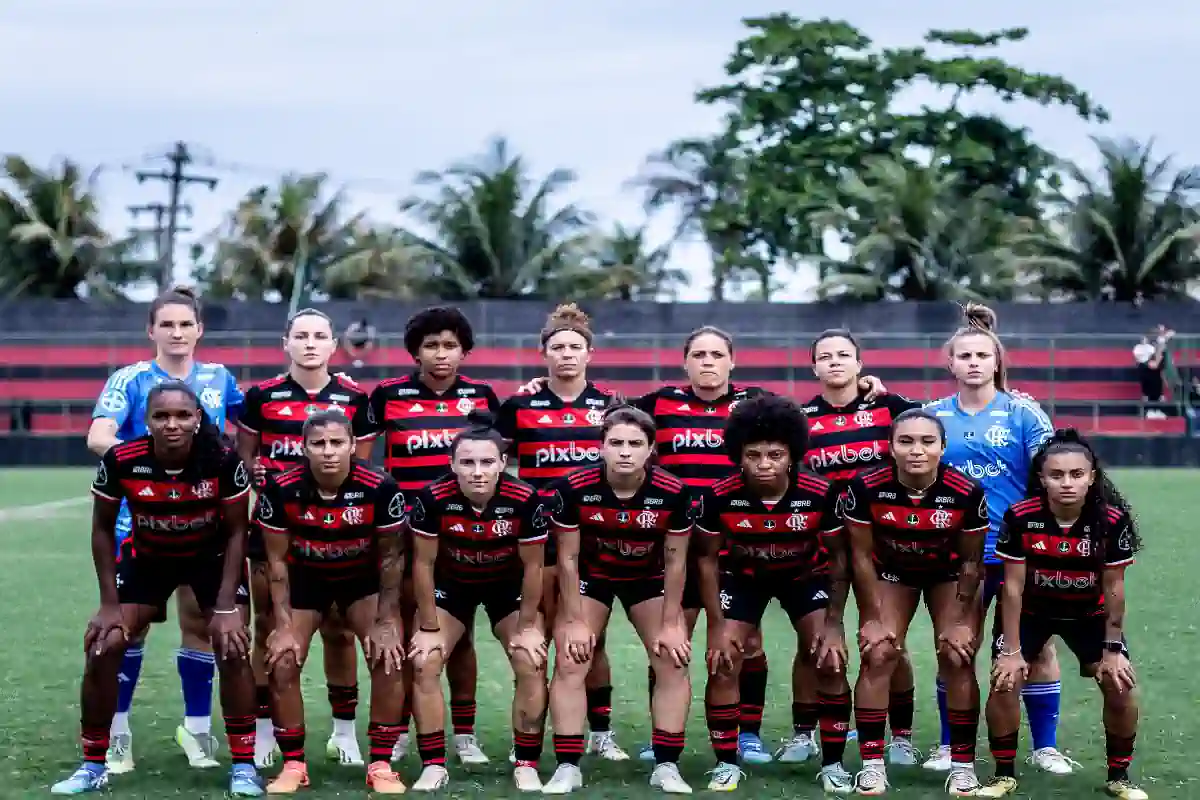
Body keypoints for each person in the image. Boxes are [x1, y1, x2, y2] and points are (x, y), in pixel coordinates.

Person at [53, 381, 262, 796]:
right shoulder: (122, 459)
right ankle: (94, 763)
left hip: (211, 561)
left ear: (197, 419)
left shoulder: (222, 460)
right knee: (104, 644)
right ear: (146, 421)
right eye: (161, 416)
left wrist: (224, 606)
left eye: (182, 415)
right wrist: (108, 605)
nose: (172, 424)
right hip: (147, 559)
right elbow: (100, 528)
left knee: (233, 644)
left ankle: (244, 765)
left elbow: (239, 532)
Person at [85, 286, 246, 773]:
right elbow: (98, 435)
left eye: (185, 324)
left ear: (200, 330)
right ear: (150, 331)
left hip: (206, 523)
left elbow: (245, 428)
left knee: (202, 622)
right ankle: (117, 735)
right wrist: (153, 459)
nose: (177, 333)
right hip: (142, 520)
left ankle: (197, 731)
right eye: (166, 325)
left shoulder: (219, 378)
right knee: (128, 632)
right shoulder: (130, 379)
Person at [921, 303, 1068, 775]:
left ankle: (1044, 746)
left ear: (996, 360)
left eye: (982, 355)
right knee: (955, 647)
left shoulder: (1023, 413)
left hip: (1017, 554)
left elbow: (1049, 475)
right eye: (964, 356)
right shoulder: (932, 417)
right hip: (954, 554)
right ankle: (950, 744)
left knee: (1035, 647)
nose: (974, 363)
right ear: (950, 363)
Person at [235, 308, 376, 767]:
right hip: (275, 531)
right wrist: (262, 479)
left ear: (334, 344)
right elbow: (247, 462)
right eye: (301, 335)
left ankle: (344, 735)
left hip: (341, 532)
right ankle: (263, 734)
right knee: (268, 631)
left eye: (319, 336)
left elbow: (363, 471)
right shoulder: (262, 397)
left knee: (339, 630)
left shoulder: (356, 398)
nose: (310, 343)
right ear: (286, 343)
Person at [361, 306, 500, 764]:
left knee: (461, 638)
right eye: (431, 345)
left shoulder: (482, 397)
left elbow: (497, 458)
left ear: (464, 350)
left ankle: (464, 734)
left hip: (464, 535)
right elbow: (362, 466)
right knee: (406, 632)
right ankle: (400, 730)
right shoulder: (387, 394)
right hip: (403, 537)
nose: (441, 354)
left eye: (450, 345)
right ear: (416, 351)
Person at [696, 395, 854, 793]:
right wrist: (716, 626)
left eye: (774, 454)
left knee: (830, 658)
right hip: (743, 577)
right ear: (738, 455)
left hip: (804, 576)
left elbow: (840, 560)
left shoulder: (821, 493)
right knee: (723, 660)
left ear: (792, 454)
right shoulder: (719, 496)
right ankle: (726, 762)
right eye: (753, 455)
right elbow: (707, 561)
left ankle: (832, 763)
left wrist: (834, 625)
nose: (764, 464)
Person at [977, 430, 1146, 800]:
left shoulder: (1110, 521)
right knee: (1004, 681)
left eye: (1076, 474)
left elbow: (1114, 589)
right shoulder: (1021, 517)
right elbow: (1013, 588)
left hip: (1090, 614)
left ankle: (1120, 776)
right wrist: (1011, 650)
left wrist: (1113, 648)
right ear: (1042, 478)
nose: (1066, 483)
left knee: (1121, 686)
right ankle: (1002, 774)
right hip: (1032, 612)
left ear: (1091, 477)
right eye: (1056, 475)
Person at [496, 304, 628, 762]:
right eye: (557, 348)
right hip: (539, 536)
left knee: (592, 637)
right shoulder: (519, 406)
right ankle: (530, 735)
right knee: (537, 632)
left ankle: (602, 731)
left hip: (596, 533)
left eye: (575, 347)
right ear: (544, 354)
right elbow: (488, 456)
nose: (566, 355)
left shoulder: (610, 406)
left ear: (589, 353)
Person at [255, 410, 408, 794]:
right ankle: (293, 764)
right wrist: (284, 625)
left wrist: (388, 620)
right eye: (318, 444)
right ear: (303, 448)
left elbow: (392, 559)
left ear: (354, 446)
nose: (328, 451)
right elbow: (275, 563)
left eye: (337, 442)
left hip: (362, 583)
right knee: (283, 659)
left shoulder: (381, 486)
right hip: (305, 582)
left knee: (388, 657)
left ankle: (381, 764)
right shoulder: (280, 488)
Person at [543, 406, 694, 794]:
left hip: (647, 578)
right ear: (602, 447)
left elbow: (677, 560)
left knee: (672, 659)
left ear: (650, 449)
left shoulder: (674, 492)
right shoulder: (572, 488)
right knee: (570, 657)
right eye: (616, 443)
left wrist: (673, 621)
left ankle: (666, 765)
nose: (625, 451)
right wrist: (574, 620)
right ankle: (567, 766)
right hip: (592, 577)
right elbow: (568, 558)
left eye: (635, 444)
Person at [790, 330, 923, 767]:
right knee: (813, 642)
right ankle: (804, 732)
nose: (834, 363)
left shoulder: (889, 408)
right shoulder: (801, 416)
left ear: (860, 364)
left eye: (843, 355)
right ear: (813, 367)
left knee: (887, 639)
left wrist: (886, 391)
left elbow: (932, 422)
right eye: (824, 357)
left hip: (882, 542)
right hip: (819, 540)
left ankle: (899, 735)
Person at [843, 409, 990, 796]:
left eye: (927, 442)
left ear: (942, 447)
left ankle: (962, 765)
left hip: (949, 576)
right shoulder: (865, 487)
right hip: (892, 574)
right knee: (877, 652)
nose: (917, 451)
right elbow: (860, 557)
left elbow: (973, 561)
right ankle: (873, 763)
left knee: (957, 655)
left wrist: (960, 619)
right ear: (890, 447)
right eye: (906, 441)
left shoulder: (966, 491)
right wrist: (872, 616)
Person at [405, 415, 549, 792]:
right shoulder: (432, 498)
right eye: (467, 462)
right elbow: (422, 564)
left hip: (507, 587)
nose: (478, 471)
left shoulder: (525, 499)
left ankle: (526, 762)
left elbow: (535, 567)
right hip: (452, 586)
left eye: (487, 462)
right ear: (452, 465)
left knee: (530, 659)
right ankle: (434, 763)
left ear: (503, 463)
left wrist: (529, 626)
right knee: (425, 660)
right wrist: (428, 625)